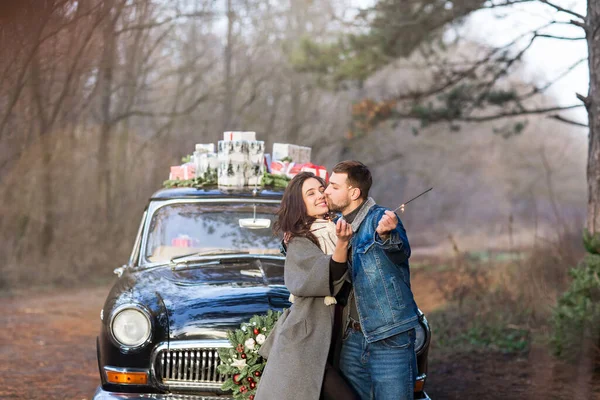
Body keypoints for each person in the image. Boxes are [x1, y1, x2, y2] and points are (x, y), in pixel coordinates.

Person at [256, 171, 359, 400]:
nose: (320, 195)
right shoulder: (299, 241)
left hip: (337, 340)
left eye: (321, 190)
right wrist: (342, 245)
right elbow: (329, 275)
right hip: (306, 346)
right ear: (299, 205)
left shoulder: (336, 229)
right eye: (310, 193)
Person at [324, 160, 420, 400]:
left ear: (354, 192)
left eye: (334, 186)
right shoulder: (336, 226)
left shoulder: (382, 220)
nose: (326, 191)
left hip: (389, 337)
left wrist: (388, 235)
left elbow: (400, 252)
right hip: (352, 337)